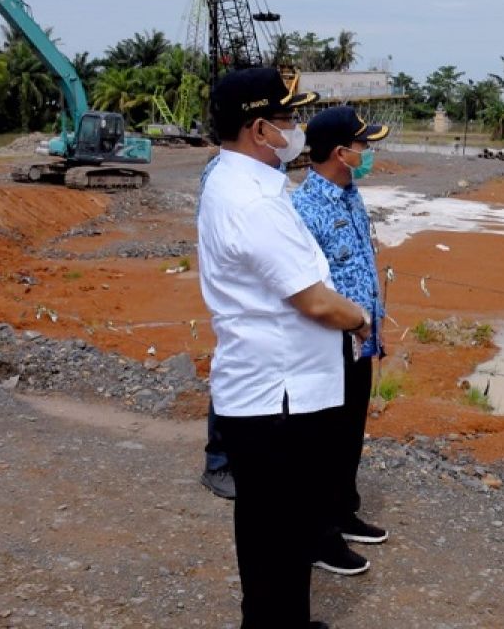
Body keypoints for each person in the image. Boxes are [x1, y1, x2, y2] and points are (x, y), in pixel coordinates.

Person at [197, 67, 371, 628]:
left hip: (272, 389)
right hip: (278, 396)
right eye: (287, 119)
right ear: (258, 130)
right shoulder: (253, 203)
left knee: (272, 525)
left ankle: (278, 622)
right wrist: (361, 318)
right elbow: (315, 302)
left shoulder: (240, 185)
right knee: (278, 524)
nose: (295, 129)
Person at [291, 106, 391, 577]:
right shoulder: (304, 209)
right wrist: (351, 323)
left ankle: (342, 511)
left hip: (361, 340)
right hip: (329, 341)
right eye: (363, 145)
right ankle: (318, 537)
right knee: (322, 442)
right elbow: (309, 289)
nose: (367, 153)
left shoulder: (350, 193)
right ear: (340, 152)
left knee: (350, 430)